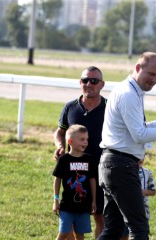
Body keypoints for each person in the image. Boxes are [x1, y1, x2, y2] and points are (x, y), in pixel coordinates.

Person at [98, 51, 156, 240]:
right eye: (151, 74)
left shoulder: (130, 90)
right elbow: (139, 135)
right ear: (138, 68)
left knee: (113, 229)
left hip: (113, 164)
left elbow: (135, 129)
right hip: (121, 166)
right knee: (139, 229)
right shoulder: (129, 94)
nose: (154, 80)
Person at [53, 66, 106, 239]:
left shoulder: (110, 107)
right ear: (80, 83)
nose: (89, 84)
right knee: (71, 218)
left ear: (102, 84)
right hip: (74, 173)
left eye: (94, 81)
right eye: (85, 80)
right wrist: (60, 146)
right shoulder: (70, 107)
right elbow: (60, 132)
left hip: (100, 170)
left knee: (100, 215)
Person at [52, 124, 97, 240]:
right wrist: (55, 200)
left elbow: (92, 180)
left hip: (84, 206)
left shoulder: (89, 159)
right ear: (70, 141)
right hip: (66, 206)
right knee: (63, 234)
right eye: (82, 139)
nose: (86, 142)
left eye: (87, 139)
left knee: (80, 235)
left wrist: (94, 201)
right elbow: (57, 179)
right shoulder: (63, 160)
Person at [120, 156, 156, 240]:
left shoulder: (147, 172)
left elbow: (153, 191)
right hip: (125, 210)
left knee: (141, 233)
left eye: (141, 156)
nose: (139, 159)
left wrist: (140, 192)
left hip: (142, 211)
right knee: (123, 234)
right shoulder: (124, 171)